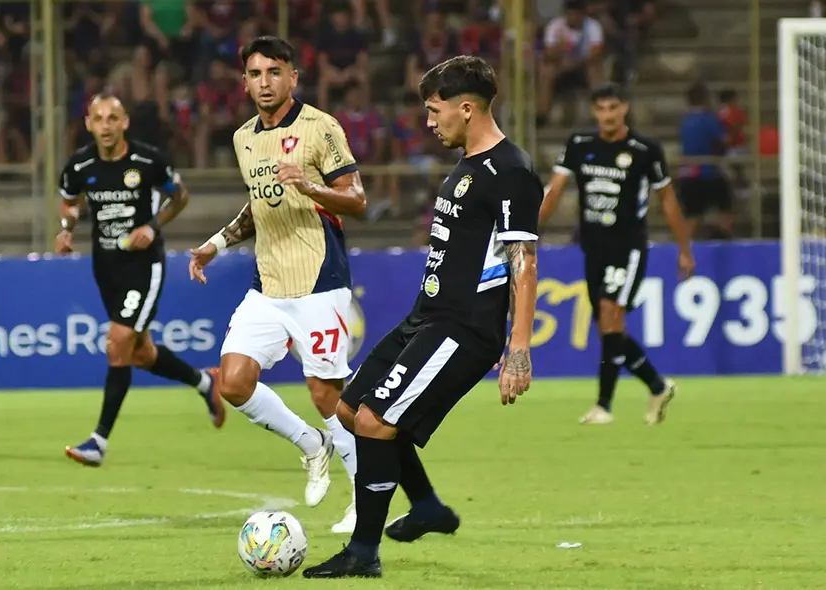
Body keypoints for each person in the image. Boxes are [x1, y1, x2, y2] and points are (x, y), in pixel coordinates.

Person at [302, 55, 542, 579]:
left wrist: (518, 347)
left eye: (435, 111)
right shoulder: (468, 166)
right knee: (351, 410)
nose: (429, 122)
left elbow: (523, 260)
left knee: (375, 421)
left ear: (466, 108)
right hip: (428, 316)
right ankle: (427, 505)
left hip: (464, 328)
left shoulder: (511, 171)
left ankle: (363, 553)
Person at [188, 36, 364, 534]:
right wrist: (216, 243)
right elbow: (258, 204)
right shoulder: (243, 138)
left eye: (274, 72)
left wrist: (309, 186)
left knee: (326, 394)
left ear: (292, 77)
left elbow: (357, 198)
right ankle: (312, 444)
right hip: (267, 284)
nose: (264, 82)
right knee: (232, 382)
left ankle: (364, 499)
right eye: (255, 74)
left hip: (319, 280)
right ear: (244, 82)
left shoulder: (320, 127)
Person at [56, 93, 224, 467]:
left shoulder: (148, 161)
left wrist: (151, 226)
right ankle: (205, 383)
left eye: (112, 118)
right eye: (99, 118)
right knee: (141, 353)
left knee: (118, 342)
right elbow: (69, 201)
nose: (106, 126)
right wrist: (67, 229)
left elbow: (179, 197)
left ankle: (98, 441)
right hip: (106, 267)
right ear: (88, 124)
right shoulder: (79, 165)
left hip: (143, 266)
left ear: (124, 122)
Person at [540, 83, 695, 425]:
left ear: (625, 108)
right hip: (592, 247)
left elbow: (668, 200)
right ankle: (657, 386)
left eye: (613, 107)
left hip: (628, 248)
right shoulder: (580, 145)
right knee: (608, 331)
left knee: (612, 316)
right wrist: (529, 233)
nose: (607, 115)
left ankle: (603, 406)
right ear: (594, 111)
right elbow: (554, 190)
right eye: (601, 108)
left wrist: (685, 250)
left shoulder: (645, 150)